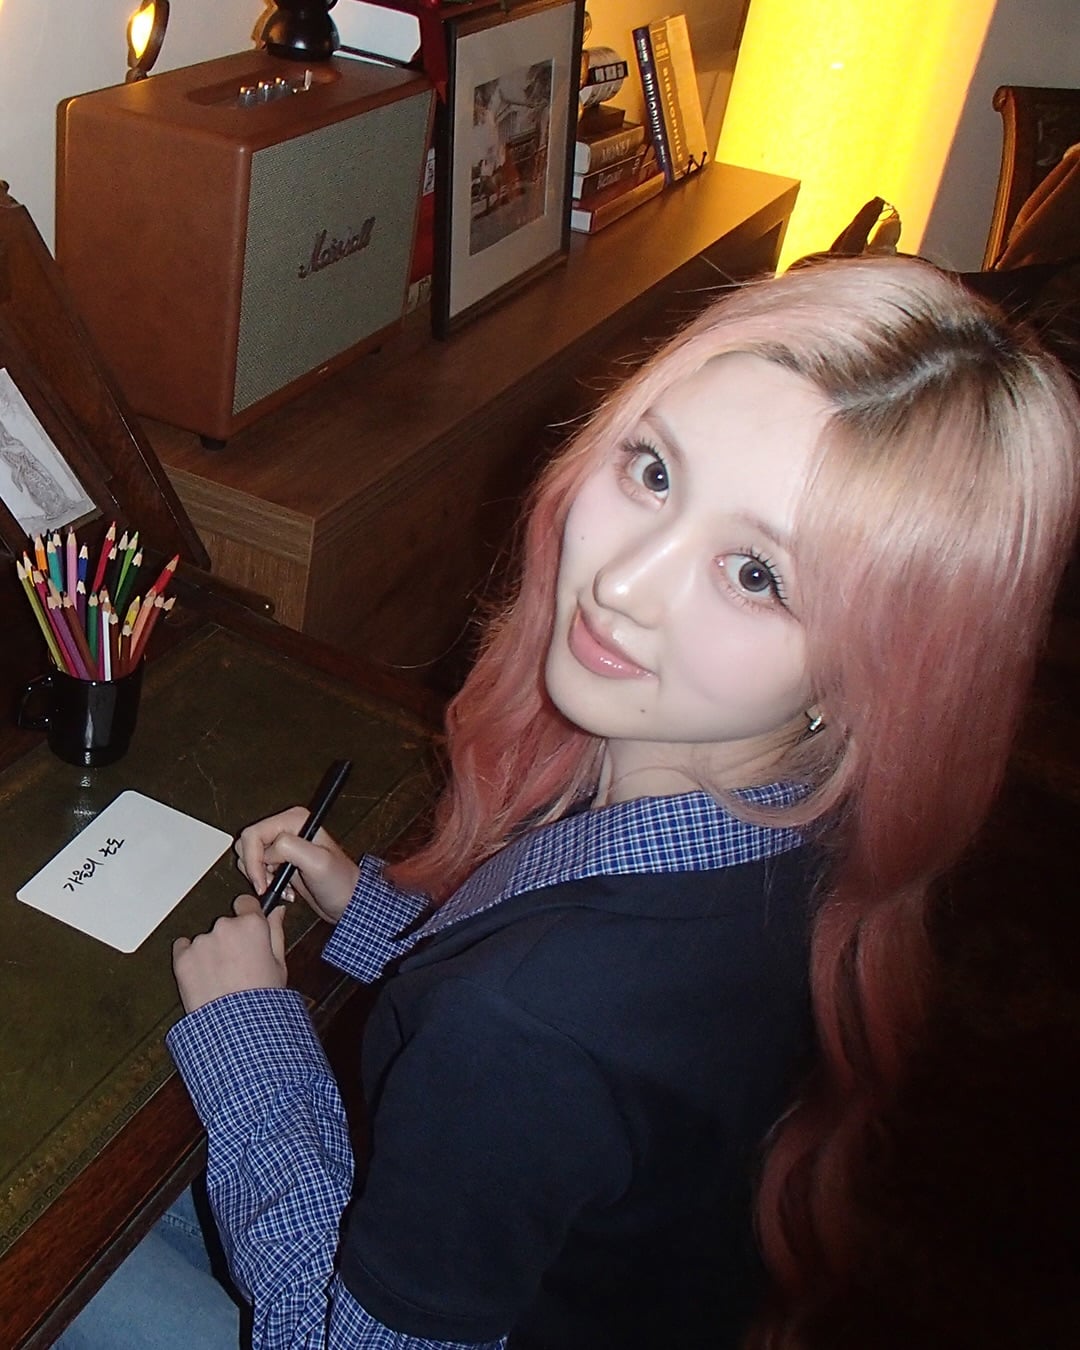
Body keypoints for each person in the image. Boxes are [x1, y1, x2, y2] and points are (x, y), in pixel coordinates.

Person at [57, 256, 1080, 1350]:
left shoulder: (527, 1024)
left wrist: (252, 1033)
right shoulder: (810, 826)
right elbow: (588, 1062)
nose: (621, 584)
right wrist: (374, 910)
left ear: (877, 665)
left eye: (756, 575)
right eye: (655, 471)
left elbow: (346, 1328)